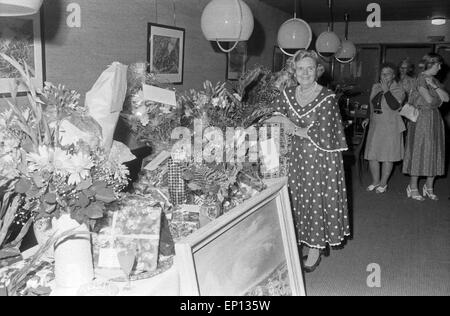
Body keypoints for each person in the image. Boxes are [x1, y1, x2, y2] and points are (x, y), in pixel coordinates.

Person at [269, 50, 349, 272]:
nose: (305, 73)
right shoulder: (287, 93)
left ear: (318, 70)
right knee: (294, 197)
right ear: (294, 71)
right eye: (300, 68)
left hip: (319, 158)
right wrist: (288, 126)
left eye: (310, 68)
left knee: (314, 199)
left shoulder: (328, 97)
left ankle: (314, 248)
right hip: (292, 156)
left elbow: (322, 133)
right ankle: (295, 241)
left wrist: (290, 126)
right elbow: (273, 117)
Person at [403, 53, 449, 201]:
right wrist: (438, 98)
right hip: (422, 119)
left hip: (435, 119)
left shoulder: (434, 80)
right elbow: (430, 101)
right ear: (431, 64)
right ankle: (413, 186)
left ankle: (428, 187)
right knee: (419, 150)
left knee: (435, 151)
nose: (440, 67)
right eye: (438, 65)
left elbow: (447, 98)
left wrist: (435, 87)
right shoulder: (421, 79)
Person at [363, 63, 406, 193]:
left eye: (388, 73)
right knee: (372, 155)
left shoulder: (399, 89)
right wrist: (367, 117)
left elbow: (395, 106)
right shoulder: (375, 87)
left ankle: (383, 183)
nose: (385, 75)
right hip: (376, 124)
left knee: (388, 156)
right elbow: (371, 103)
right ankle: (375, 181)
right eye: (383, 73)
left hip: (390, 125)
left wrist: (386, 90)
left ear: (393, 75)